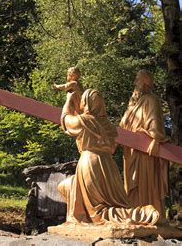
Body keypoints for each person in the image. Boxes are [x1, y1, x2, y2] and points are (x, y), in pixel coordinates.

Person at [58, 89, 159, 225]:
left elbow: (65, 120)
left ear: (87, 103)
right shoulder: (109, 126)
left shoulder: (85, 120)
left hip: (91, 163)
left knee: (98, 210)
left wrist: (69, 100)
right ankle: (139, 213)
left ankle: (141, 214)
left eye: (83, 101)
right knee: (108, 203)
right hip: (108, 165)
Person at [120, 70, 169, 220]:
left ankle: (150, 214)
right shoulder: (131, 105)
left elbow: (156, 125)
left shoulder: (151, 100)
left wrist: (155, 140)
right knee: (131, 185)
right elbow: (122, 126)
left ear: (146, 82)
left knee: (145, 182)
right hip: (130, 152)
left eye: (138, 80)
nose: (135, 83)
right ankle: (134, 213)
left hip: (145, 152)